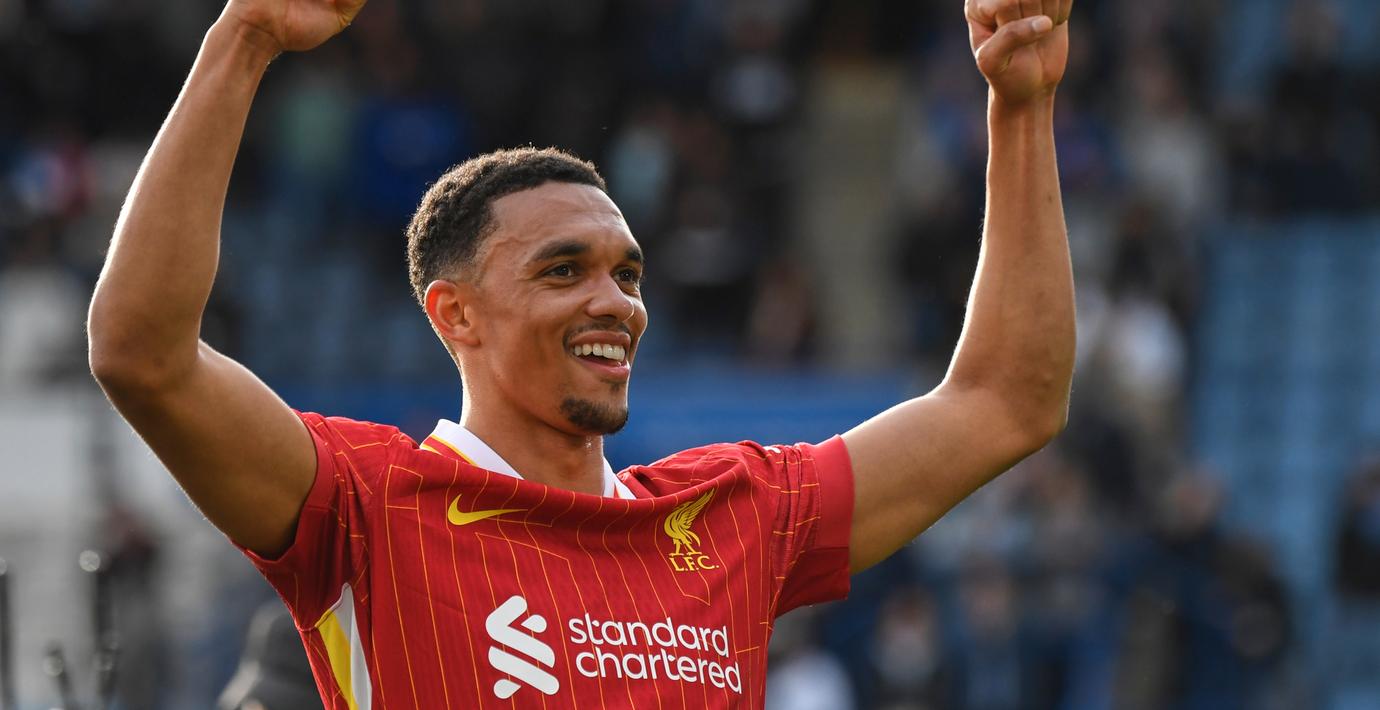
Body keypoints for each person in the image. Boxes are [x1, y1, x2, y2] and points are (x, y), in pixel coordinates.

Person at [85, 0, 1075, 706]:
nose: (615, 302)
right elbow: (142, 353)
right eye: (563, 270)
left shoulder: (734, 517)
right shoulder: (366, 506)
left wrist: (1021, 105)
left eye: (628, 272)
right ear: (455, 314)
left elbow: (1006, 401)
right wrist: (245, 37)